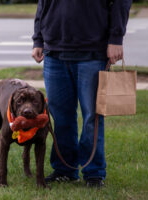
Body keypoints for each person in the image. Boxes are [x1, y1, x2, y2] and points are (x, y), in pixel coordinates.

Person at [32, 0, 132, 187]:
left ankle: (93, 173)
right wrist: (38, 39)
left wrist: (116, 38)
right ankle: (65, 170)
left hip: (93, 52)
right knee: (60, 117)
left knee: (91, 118)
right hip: (54, 52)